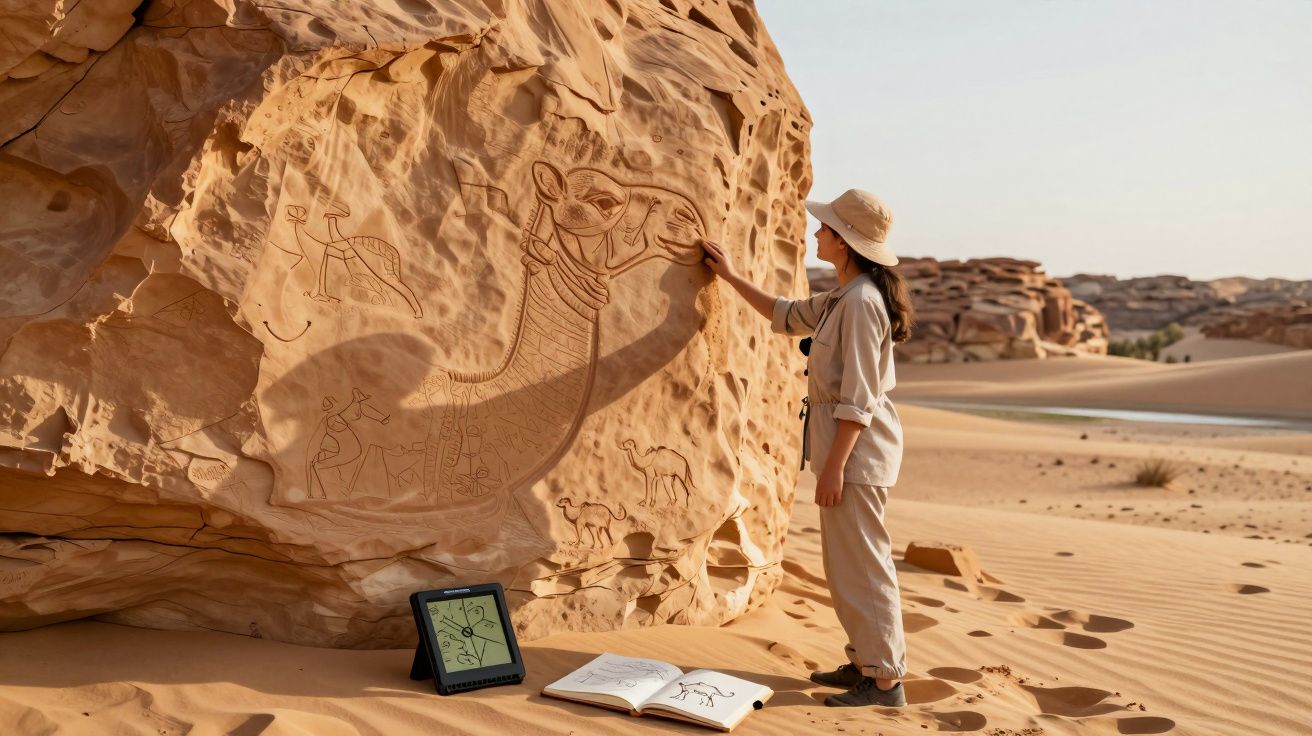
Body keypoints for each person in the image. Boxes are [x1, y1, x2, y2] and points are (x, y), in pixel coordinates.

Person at [700, 189, 914, 708]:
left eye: (825, 228)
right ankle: (866, 660)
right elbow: (786, 313)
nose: (816, 233)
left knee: (864, 564)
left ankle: (885, 681)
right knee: (845, 564)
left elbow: (859, 399)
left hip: (856, 454)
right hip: (845, 451)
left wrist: (834, 467)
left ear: (844, 243)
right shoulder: (845, 296)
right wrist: (729, 276)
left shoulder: (861, 303)